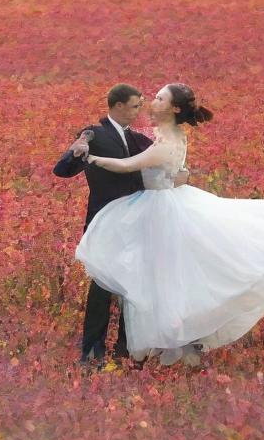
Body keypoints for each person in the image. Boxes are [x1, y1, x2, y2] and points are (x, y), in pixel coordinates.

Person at [75, 83, 264, 366]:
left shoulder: (166, 142)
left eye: (160, 98)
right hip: (160, 206)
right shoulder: (165, 135)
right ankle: (139, 346)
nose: (152, 101)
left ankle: (148, 345)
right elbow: (161, 161)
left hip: (157, 210)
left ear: (175, 108)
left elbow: (128, 166)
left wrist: (90, 157)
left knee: (157, 279)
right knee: (158, 277)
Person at [53, 84, 187, 365]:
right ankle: (92, 352)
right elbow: (63, 170)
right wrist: (76, 153)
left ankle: (125, 350)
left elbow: (160, 164)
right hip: (107, 223)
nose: (141, 110)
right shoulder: (94, 133)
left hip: (137, 224)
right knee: (102, 287)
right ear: (118, 106)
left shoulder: (137, 138)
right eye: (136, 105)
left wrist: (178, 173)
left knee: (133, 287)